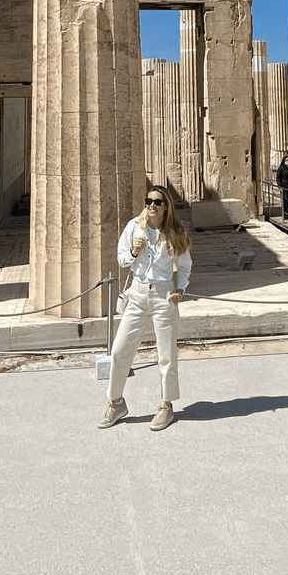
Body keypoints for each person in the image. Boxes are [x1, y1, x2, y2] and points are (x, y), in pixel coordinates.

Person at [98, 184, 192, 432]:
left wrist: (180, 289)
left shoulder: (175, 232)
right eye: (148, 201)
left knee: (166, 355)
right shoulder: (133, 227)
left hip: (164, 296)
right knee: (119, 351)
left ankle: (166, 405)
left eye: (157, 202)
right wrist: (134, 251)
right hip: (138, 294)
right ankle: (116, 402)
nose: (151, 206)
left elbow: (185, 265)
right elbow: (121, 259)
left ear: (166, 206)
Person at [276, 153, 288, 220]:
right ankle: (284, 213)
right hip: (284, 186)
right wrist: (279, 186)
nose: (287, 161)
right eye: (286, 160)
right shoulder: (281, 168)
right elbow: (278, 178)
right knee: (285, 199)